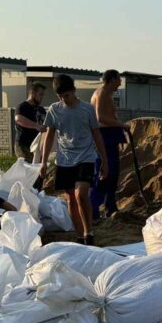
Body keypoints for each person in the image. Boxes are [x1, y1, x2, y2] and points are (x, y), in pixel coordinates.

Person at [39, 74, 109, 245]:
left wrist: (104, 160)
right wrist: (43, 161)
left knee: (81, 194)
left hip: (86, 156)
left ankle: (89, 232)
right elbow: (49, 136)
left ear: (74, 91)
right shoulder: (55, 110)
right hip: (64, 159)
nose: (64, 99)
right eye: (60, 96)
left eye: (67, 95)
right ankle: (79, 236)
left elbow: (97, 134)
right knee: (70, 197)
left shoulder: (87, 109)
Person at [90, 70, 128, 220]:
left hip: (110, 137)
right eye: (118, 80)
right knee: (104, 174)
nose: (119, 84)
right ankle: (93, 210)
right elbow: (100, 117)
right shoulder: (101, 94)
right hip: (103, 138)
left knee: (112, 176)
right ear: (112, 79)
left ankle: (110, 207)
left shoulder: (106, 94)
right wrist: (121, 125)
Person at [14, 83, 47, 162]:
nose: (42, 97)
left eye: (43, 95)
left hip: (37, 146)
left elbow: (46, 124)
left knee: (37, 170)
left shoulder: (41, 109)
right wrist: (36, 126)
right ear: (32, 93)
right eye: (40, 94)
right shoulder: (23, 106)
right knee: (27, 170)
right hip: (24, 145)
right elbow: (18, 119)